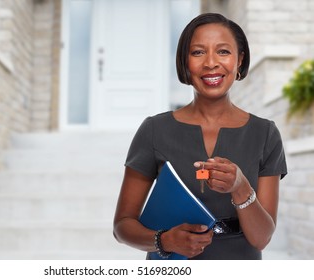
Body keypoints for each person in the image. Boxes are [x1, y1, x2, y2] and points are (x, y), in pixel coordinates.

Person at [113, 13, 287, 260]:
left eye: (223, 52)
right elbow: (122, 227)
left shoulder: (265, 133)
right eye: (198, 53)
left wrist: (240, 188)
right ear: (185, 62)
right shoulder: (154, 130)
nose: (211, 63)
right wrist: (163, 240)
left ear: (240, 61)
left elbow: (262, 238)